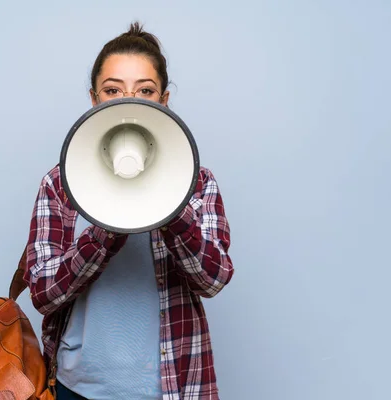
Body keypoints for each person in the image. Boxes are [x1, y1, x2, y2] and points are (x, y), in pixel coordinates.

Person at [23, 21, 234, 400]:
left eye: (145, 90)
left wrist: (169, 205)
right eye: (113, 90)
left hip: (173, 387)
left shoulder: (196, 183)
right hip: (78, 390)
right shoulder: (59, 184)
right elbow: (42, 294)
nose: (128, 100)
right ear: (94, 99)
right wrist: (106, 226)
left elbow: (214, 280)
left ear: (163, 101)